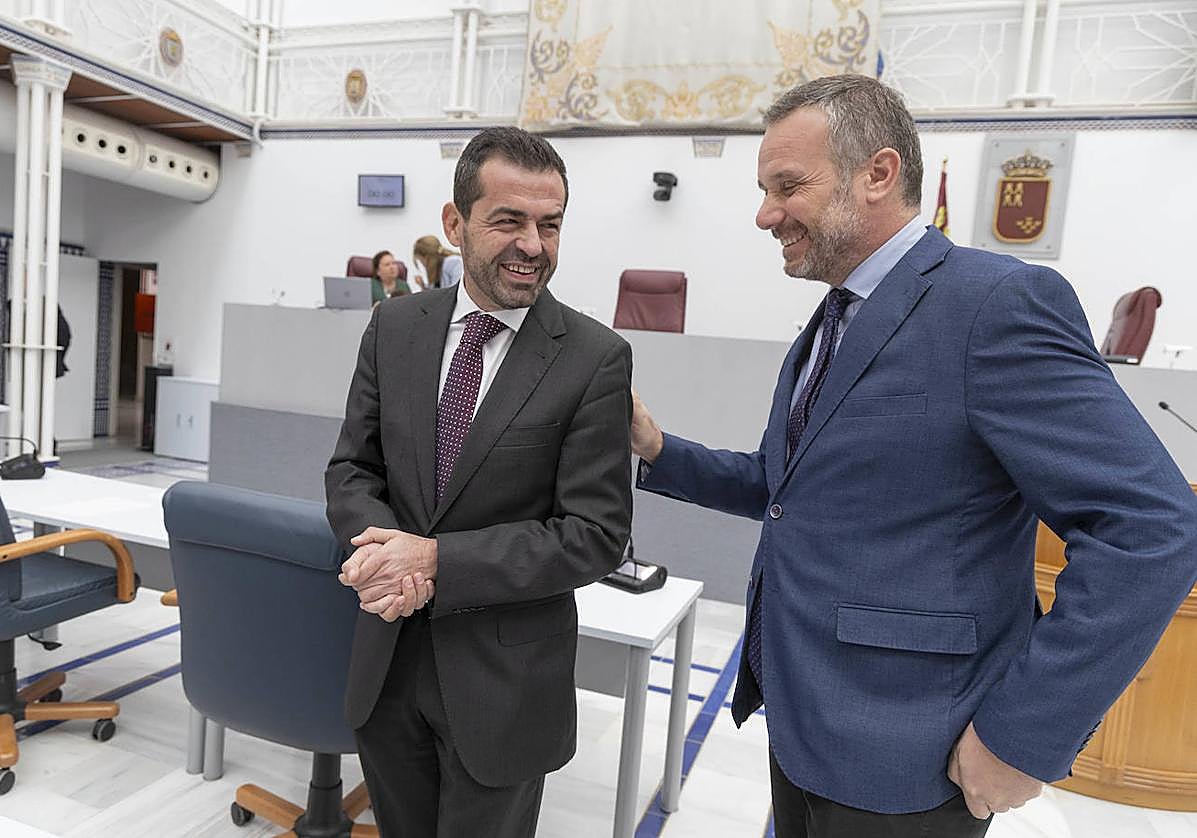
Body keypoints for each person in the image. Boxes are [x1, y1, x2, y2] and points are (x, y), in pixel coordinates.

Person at [630, 74, 1197, 838]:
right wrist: (656, 448)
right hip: (804, 719)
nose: (765, 215)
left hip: (912, 749)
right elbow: (781, 486)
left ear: (878, 173)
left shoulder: (993, 305)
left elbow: (1152, 530)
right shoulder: (830, 323)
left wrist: (1021, 739)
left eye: (787, 187)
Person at [325, 126, 633, 838]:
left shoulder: (593, 359)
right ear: (454, 223)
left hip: (505, 686)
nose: (533, 243)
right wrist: (377, 553)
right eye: (508, 221)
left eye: (549, 224)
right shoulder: (393, 327)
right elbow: (352, 468)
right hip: (389, 662)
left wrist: (433, 561)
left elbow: (594, 537)